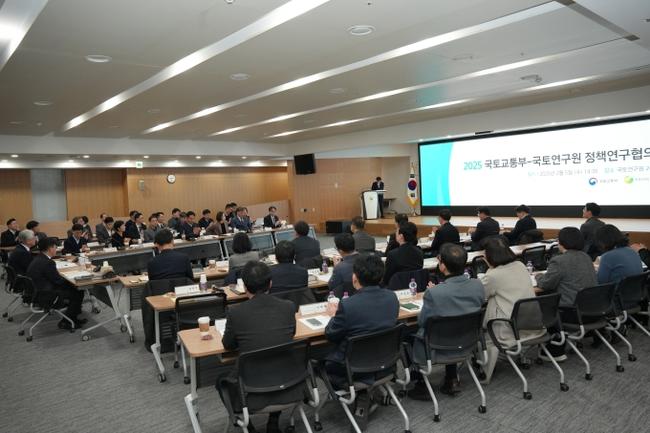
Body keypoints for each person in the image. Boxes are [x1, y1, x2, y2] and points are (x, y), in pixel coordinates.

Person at [219, 261, 297, 433]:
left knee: (221, 381)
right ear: (271, 283)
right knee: (275, 361)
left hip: (251, 391)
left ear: (245, 286)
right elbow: (291, 334)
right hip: (290, 384)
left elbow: (228, 345)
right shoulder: (288, 306)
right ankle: (273, 422)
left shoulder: (235, 312)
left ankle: (248, 427)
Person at [324, 254, 398, 426]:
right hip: (385, 362)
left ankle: (362, 392)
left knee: (321, 359)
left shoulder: (348, 305)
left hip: (352, 368)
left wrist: (333, 316)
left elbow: (331, 334)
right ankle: (364, 394)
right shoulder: (392, 297)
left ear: (355, 278)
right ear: (381, 277)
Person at [408, 244, 485, 399]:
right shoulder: (478, 285)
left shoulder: (434, 293)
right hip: (468, 342)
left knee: (408, 331)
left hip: (439, 346)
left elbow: (422, 322)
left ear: (442, 266)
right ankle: (452, 378)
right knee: (453, 324)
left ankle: (420, 383)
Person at [479, 237, 543, 383]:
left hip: (507, 328)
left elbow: (481, 295)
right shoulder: (520, 265)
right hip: (532, 324)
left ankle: (484, 372)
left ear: (490, 256)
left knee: (483, 329)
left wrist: (489, 269)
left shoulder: (494, 275)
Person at [535, 227, 597, 362]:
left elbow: (545, 284)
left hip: (571, 313)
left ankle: (555, 350)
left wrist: (538, 276)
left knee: (544, 303)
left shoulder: (559, 261)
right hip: (592, 310)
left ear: (561, 242)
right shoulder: (586, 257)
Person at [27, 237, 85, 329]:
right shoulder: (48, 262)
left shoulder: (38, 258)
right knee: (78, 292)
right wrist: (72, 280)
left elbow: (54, 278)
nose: (56, 249)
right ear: (50, 248)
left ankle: (73, 318)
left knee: (75, 289)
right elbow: (58, 281)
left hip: (36, 291)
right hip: (46, 294)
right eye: (55, 247)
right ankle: (67, 322)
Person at [382, 222, 423, 287]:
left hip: (397, 287)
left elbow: (387, 278)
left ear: (401, 236)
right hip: (415, 286)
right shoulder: (419, 252)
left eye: (396, 232)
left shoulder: (392, 254)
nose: (395, 234)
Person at [328, 233, 359, 297]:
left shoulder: (340, 267)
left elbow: (331, 286)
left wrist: (336, 267)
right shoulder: (367, 259)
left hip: (347, 298)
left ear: (340, 251)